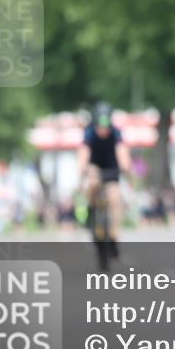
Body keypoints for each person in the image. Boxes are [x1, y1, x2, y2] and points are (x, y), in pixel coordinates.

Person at [77, 102, 132, 258]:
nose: (104, 129)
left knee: (115, 198)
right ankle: (91, 210)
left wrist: (126, 166)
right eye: (100, 124)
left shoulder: (116, 133)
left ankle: (114, 236)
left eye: (106, 124)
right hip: (95, 167)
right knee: (93, 184)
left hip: (112, 169)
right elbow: (83, 153)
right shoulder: (89, 134)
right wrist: (83, 168)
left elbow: (122, 152)